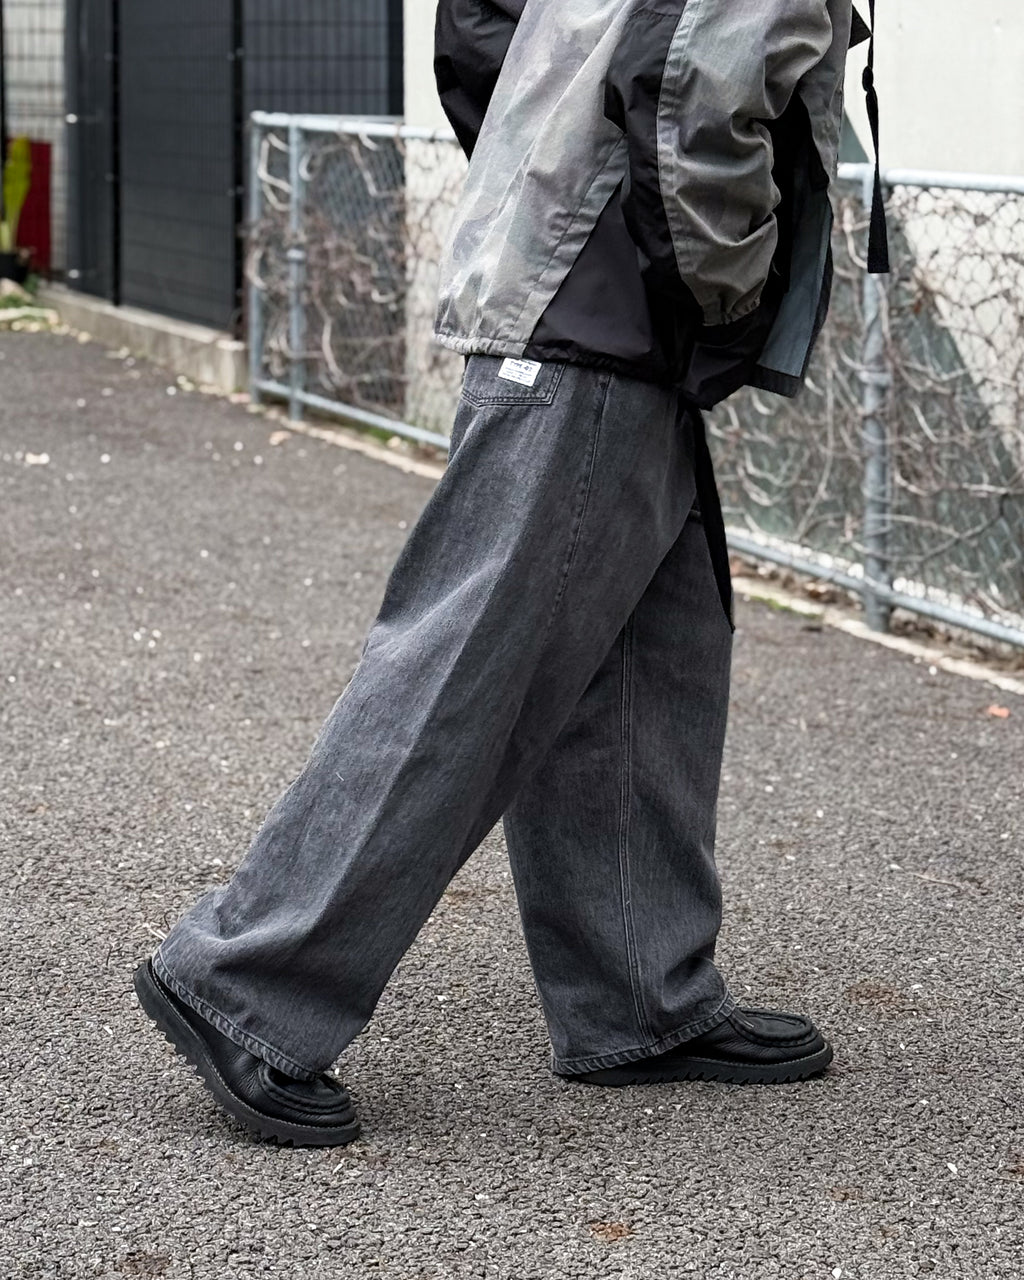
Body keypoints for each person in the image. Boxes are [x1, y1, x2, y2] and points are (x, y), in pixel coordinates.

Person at [135, 0, 885, 1147]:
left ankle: (637, 991)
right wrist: (717, 283)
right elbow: (696, 90)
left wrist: (554, 166)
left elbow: (478, 29)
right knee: (468, 663)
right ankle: (247, 982)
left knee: (648, 651)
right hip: (611, 303)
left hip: (578, 281)